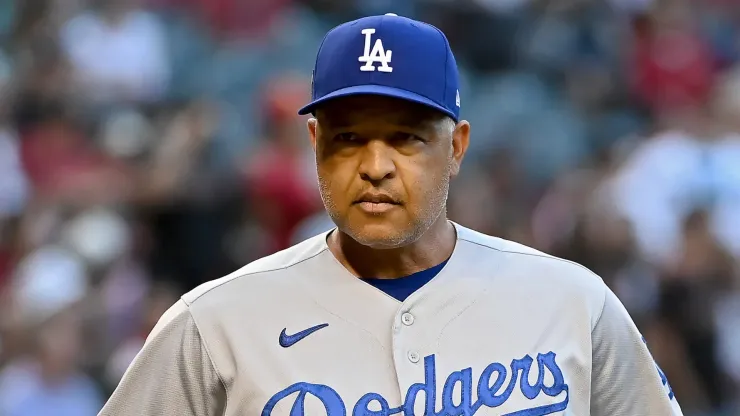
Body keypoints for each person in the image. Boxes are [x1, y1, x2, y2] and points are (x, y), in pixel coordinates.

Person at [98, 14, 683, 416]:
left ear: (456, 148)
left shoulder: (572, 302)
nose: (374, 166)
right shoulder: (215, 322)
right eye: (348, 138)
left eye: (405, 139)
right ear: (314, 145)